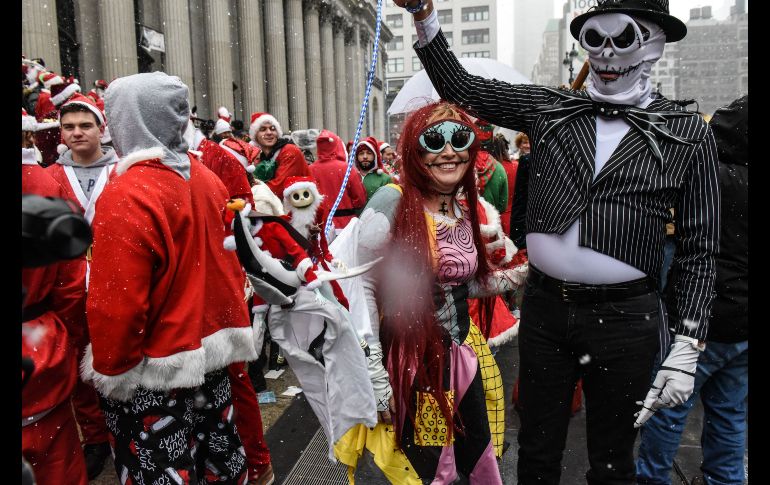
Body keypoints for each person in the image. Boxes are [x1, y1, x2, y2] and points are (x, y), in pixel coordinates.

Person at [395, 0, 720, 483]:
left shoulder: (685, 132)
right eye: (596, 39)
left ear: (653, 40)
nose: (608, 54)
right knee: (538, 447)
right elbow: (462, 87)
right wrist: (423, 14)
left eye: (623, 37)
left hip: (626, 320)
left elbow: (701, 248)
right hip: (547, 309)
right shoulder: (552, 108)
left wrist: (688, 342)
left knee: (612, 459)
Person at [333, 101, 528, 483]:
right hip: (411, 361)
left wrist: (522, 274)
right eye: (434, 140)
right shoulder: (392, 201)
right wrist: (374, 374)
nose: (449, 151)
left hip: (460, 356)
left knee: (470, 456)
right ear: (414, 150)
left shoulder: (459, 206)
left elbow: (463, 283)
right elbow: (363, 286)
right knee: (427, 467)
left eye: (460, 138)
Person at [82, 72, 252, 483]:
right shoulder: (206, 179)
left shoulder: (128, 192)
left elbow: (117, 303)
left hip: (152, 369)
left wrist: (113, 367)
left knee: (160, 471)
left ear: (127, 120)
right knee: (217, 464)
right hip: (209, 355)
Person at [636, 95, 748, 485]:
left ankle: (652, 479)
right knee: (731, 412)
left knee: (669, 406)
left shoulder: (713, 176)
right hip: (743, 324)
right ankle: (727, 478)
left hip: (701, 317)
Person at [45, 92, 117, 479]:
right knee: (77, 364)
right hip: (68, 286)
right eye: (68, 127)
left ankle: (125, 425)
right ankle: (94, 437)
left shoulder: (123, 171)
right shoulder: (51, 175)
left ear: (100, 129)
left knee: (116, 356)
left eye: (84, 125)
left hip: (114, 281)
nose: (76, 133)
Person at [22, 108, 89, 485]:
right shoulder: (47, 182)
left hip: (40, 332)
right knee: (56, 458)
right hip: (41, 344)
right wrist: (72, 336)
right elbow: (69, 278)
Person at [310, 129, 367, 232]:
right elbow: (360, 200)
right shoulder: (347, 168)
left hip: (320, 227)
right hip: (346, 226)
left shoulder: (310, 170)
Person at [249, 111, 311, 197]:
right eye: (263, 129)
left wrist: (251, 192)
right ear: (255, 136)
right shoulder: (260, 157)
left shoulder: (290, 151)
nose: (269, 132)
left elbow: (279, 187)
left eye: (272, 128)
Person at [354, 136, 392, 201]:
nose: (365, 157)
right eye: (361, 153)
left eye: (369, 153)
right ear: (356, 157)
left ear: (375, 156)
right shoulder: (350, 178)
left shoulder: (385, 179)